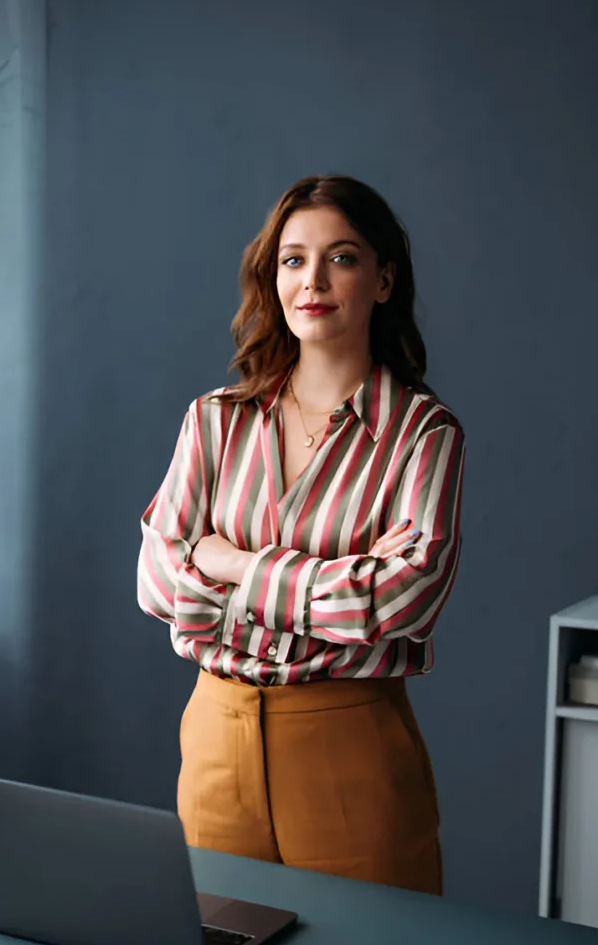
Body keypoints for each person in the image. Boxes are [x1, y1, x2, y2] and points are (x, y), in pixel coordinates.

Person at [137, 175, 465, 895]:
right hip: (215, 734)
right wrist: (326, 585)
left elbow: (397, 604)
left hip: (349, 749)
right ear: (271, 275)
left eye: (341, 257)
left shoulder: (420, 434)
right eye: (292, 259)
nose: (312, 280)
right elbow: (158, 583)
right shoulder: (213, 420)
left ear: (382, 281)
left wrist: (231, 563)